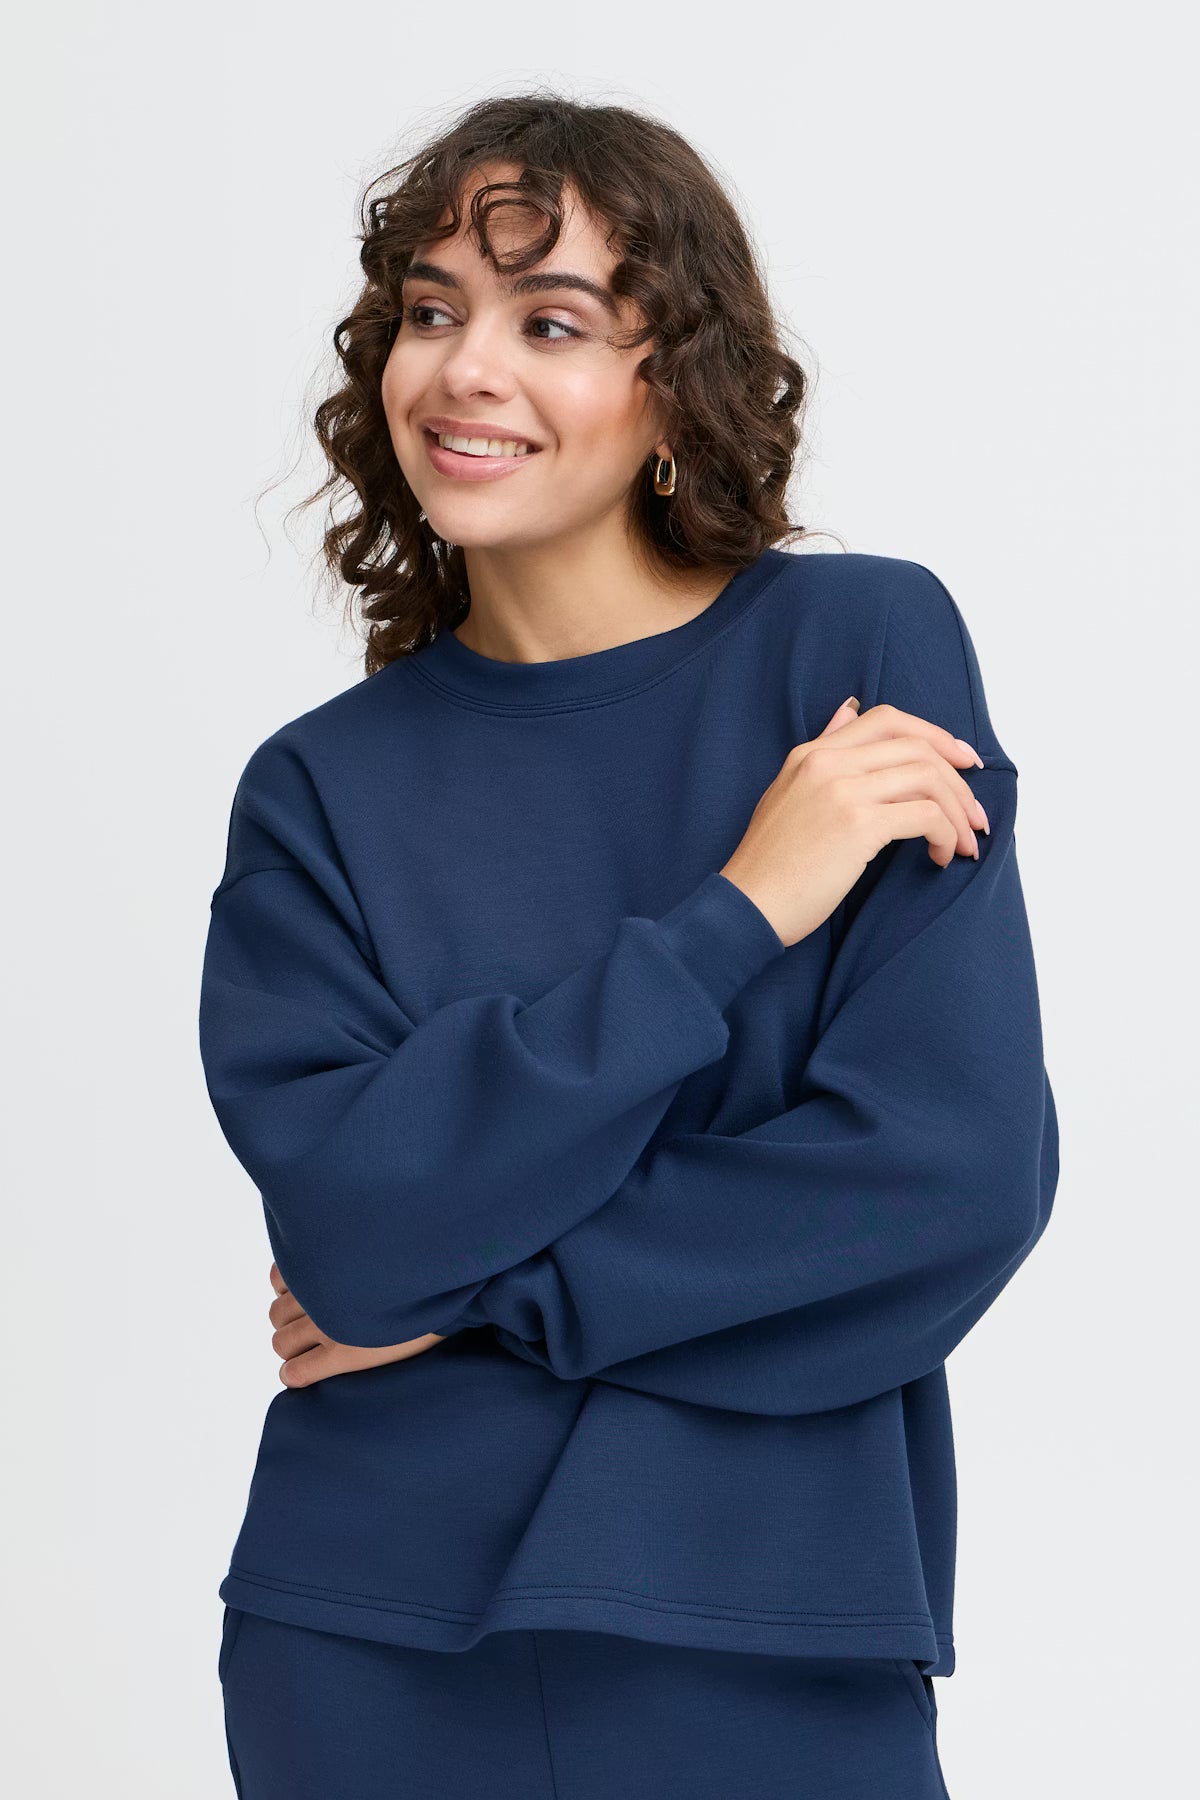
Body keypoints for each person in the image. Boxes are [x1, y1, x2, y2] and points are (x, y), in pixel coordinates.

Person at [199, 91, 1058, 1800]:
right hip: (366, 1639)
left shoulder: (860, 653)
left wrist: (480, 1301)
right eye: (431, 312)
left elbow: (942, 1182)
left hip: (763, 1634)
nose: (466, 370)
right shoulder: (318, 790)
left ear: (675, 383)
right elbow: (358, 1229)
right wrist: (741, 911)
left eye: (553, 322)